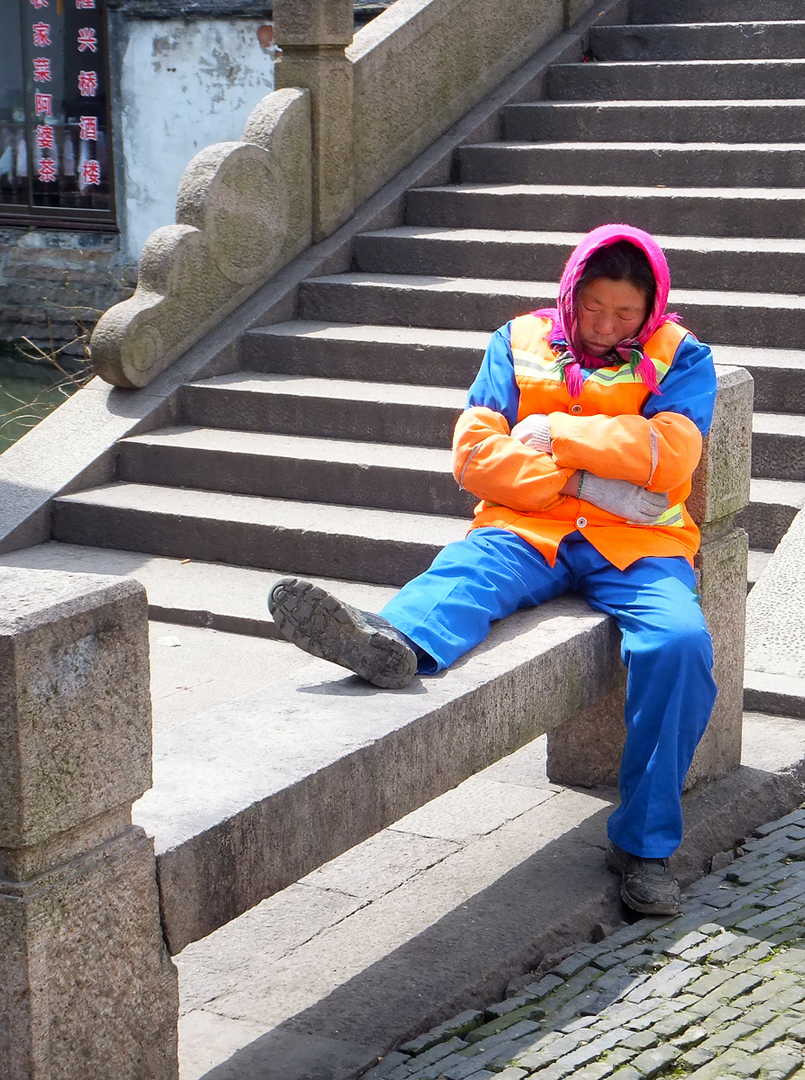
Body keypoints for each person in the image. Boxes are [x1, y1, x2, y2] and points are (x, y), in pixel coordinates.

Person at [267, 224, 718, 915]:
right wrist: (589, 484)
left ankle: (647, 846)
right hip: (529, 526)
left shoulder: (683, 356)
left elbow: (672, 458)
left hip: (639, 544)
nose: (603, 326)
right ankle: (391, 644)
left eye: (624, 314)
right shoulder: (516, 340)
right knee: (465, 575)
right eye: (593, 307)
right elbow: (476, 455)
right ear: (571, 293)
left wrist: (557, 434)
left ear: (650, 307)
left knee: (681, 645)